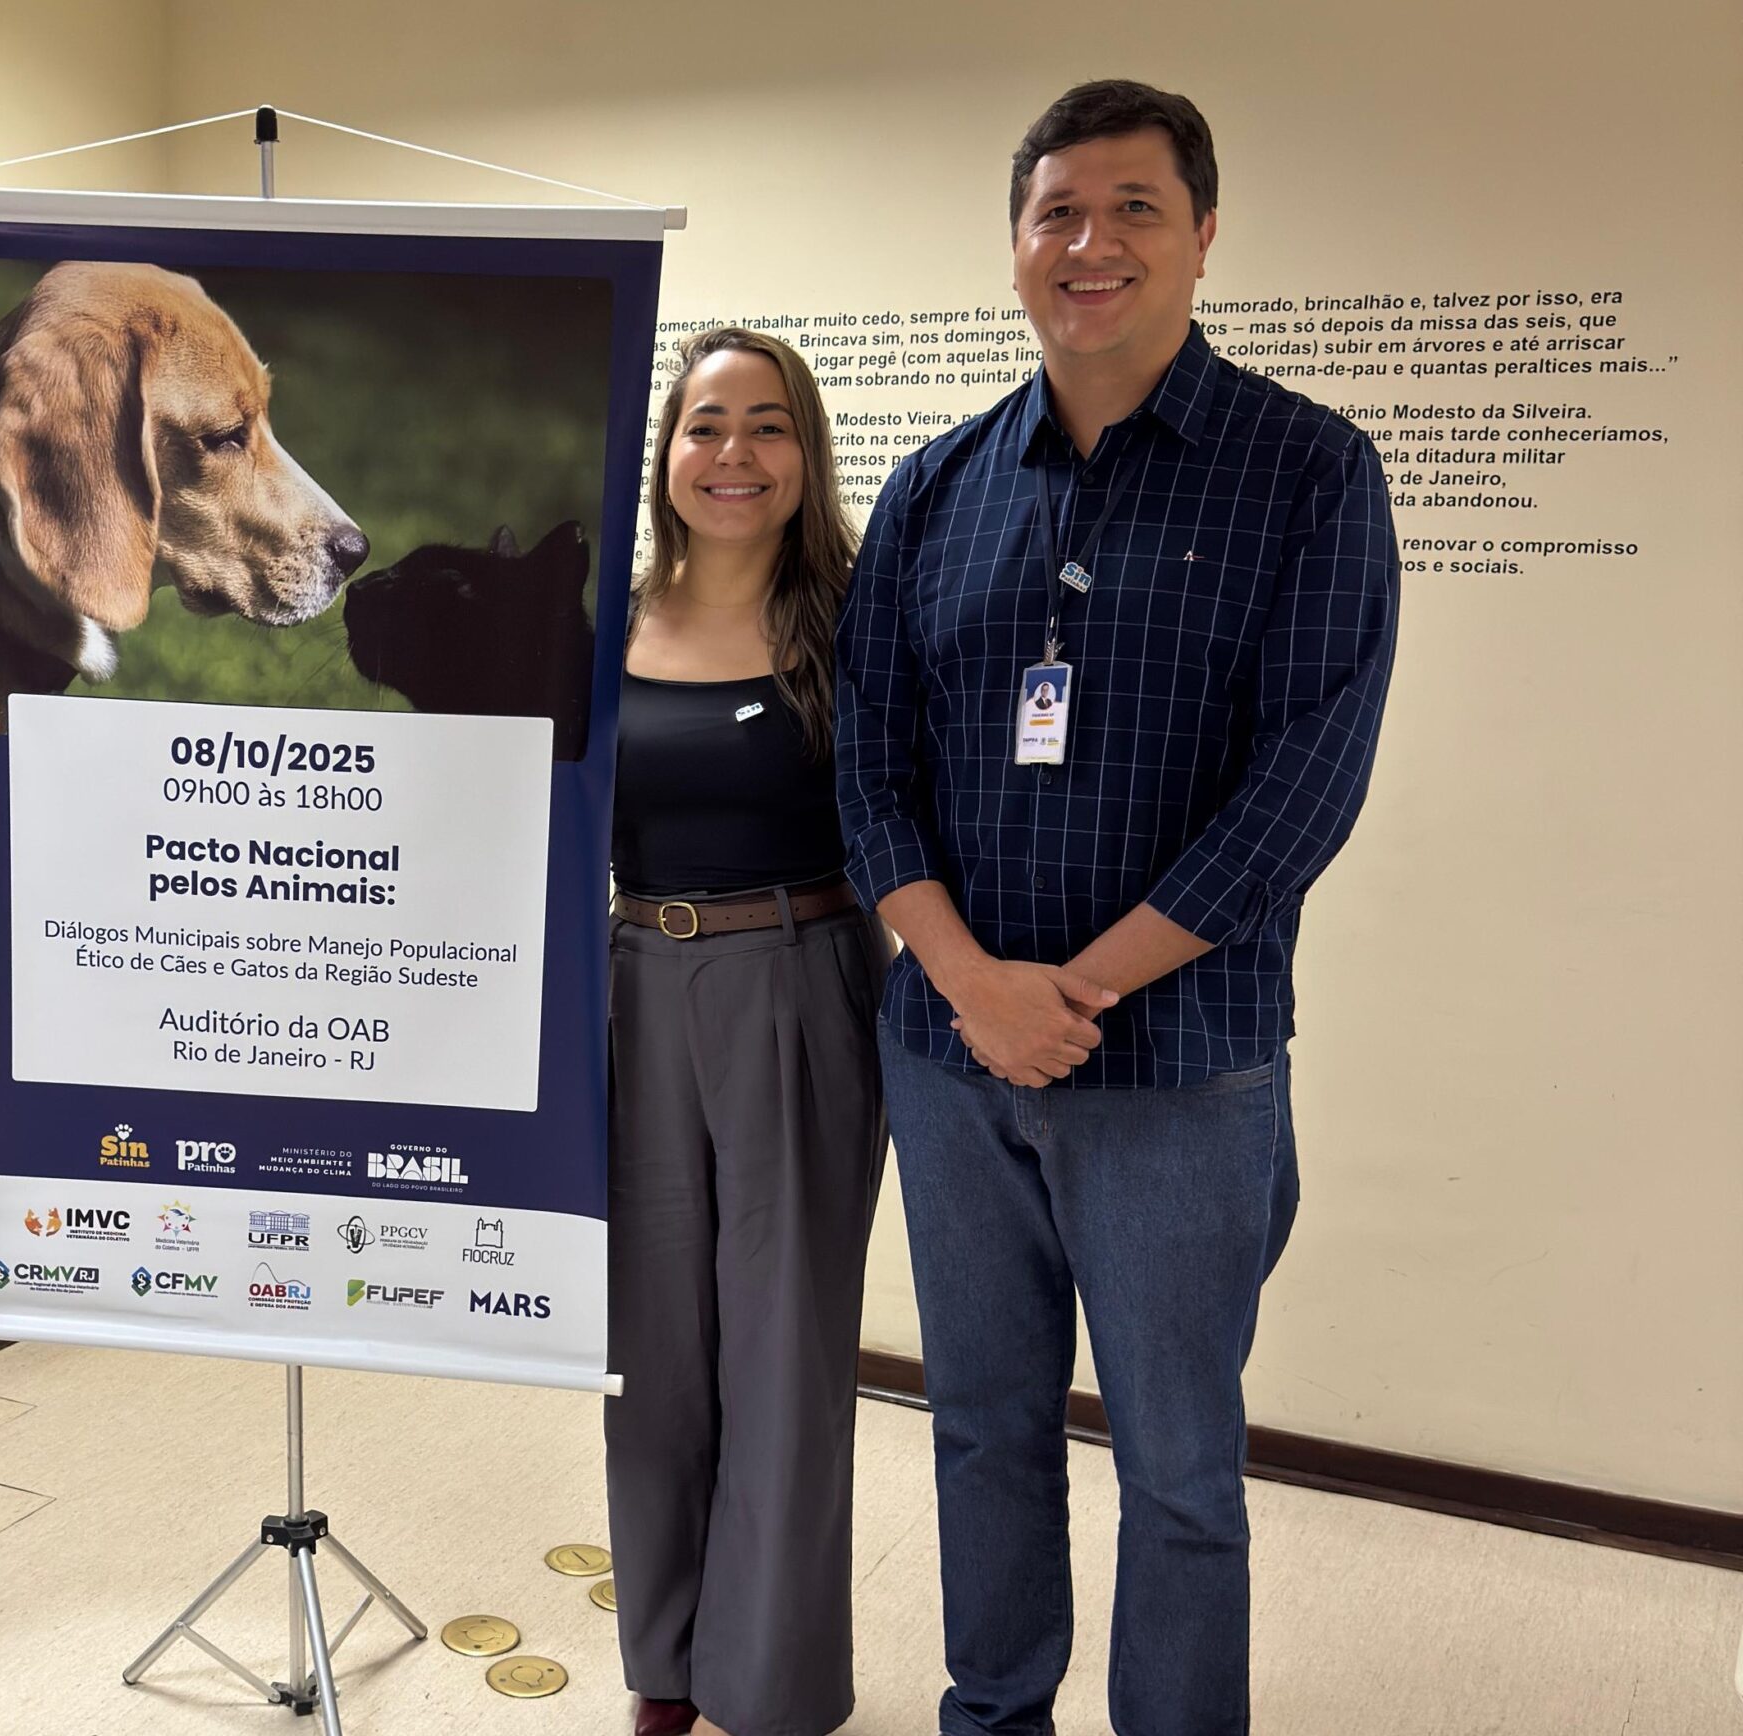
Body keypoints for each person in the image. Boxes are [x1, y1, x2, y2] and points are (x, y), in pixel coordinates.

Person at [836, 80, 1397, 1736]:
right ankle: (994, 1713)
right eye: (1058, 212)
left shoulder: (1307, 472)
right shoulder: (937, 488)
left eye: (1136, 209)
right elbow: (868, 763)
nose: (1093, 244)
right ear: (1017, 243)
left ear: (1204, 236)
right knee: (981, 1431)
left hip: (1180, 1068)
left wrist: (1066, 992)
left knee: (1178, 1469)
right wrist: (971, 986)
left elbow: (1303, 788)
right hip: (952, 1065)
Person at [605, 327, 887, 1736]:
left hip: (801, 977)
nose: (734, 454)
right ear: (666, 450)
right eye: (705, 424)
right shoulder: (600, 622)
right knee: (650, 1349)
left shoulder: (857, 618)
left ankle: (765, 1686)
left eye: (768, 425)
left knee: (784, 1351)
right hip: (633, 989)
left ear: (806, 453)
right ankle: (666, 1663)